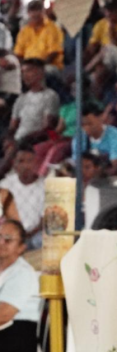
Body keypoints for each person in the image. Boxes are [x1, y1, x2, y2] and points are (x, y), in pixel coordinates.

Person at [0, 219, 40, 352]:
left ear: (21, 247)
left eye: (8, 239)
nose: (1, 242)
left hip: (16, 336)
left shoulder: (22, 272)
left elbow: (4, 314)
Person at [0, 147, 44, 248]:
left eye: (30, 161)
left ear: (36, 163)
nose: (26, 165)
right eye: (21, 161)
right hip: (8, 232)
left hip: (34, 234)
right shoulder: (5, 184)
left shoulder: (45, 186)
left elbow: (44, 221)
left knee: (41, 240)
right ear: (14, 164)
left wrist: (26, 235)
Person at [9, 58, 59, 144]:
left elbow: (48, 126)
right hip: (18, 139)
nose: (24, 75)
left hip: (35, 141)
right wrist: (8, 140)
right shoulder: (21, 98)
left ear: (41, 73)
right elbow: (13, 126)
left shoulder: (50, 95)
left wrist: (24, 141)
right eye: (22, 72)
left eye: (29, 71)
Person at [71, 102, 117, 176]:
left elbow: (116, 168)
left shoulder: (115, 135)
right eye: (83, 125)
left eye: (90, 124)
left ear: (100, 118)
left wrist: (96, 174)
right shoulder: (79, 137)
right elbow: (76, 163)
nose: (86, 128)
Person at [13, 0, 64, 72]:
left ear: (43, 11)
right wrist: (24, 66)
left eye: (38, 10)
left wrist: (39, 67)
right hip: (28, 65)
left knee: (46, 70)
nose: (35, 14)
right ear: (28, 13)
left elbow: (54, 52)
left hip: (48, 65)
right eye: (32, 11)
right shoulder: (24, 31)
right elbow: (18, 53)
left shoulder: (52, 28)